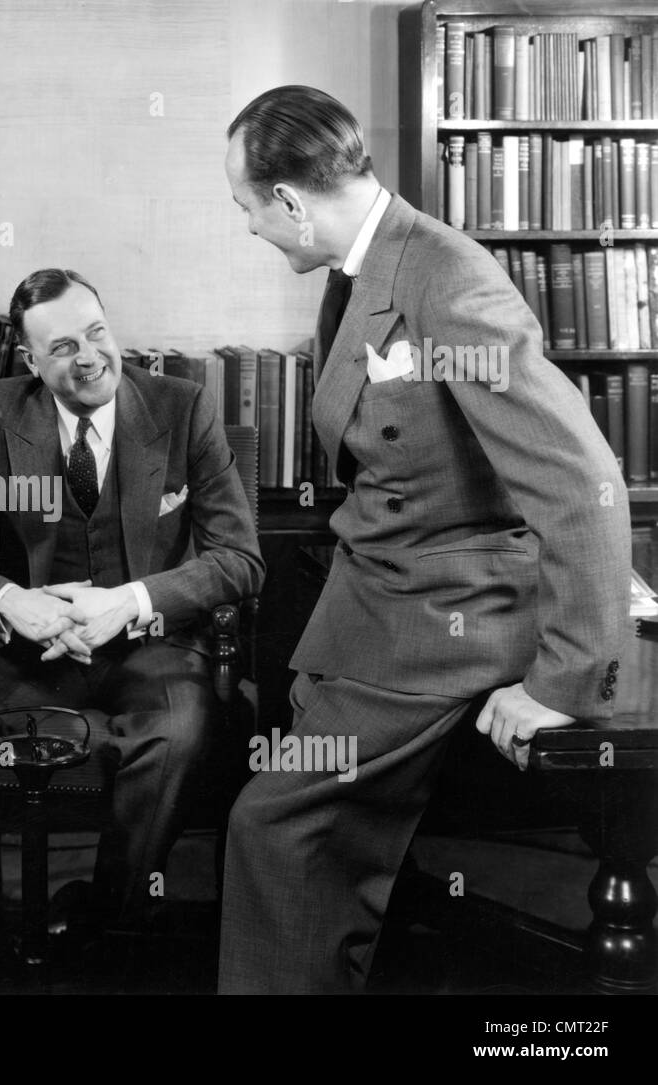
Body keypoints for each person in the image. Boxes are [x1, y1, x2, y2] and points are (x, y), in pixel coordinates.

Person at [219, 85, 631, 993]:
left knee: (274, 825)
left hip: (449, 615)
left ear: (288, 200)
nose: (248, 226)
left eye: (246, 206)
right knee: (292, 806)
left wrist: (565, 680)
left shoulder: (444, 276)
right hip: (377, 602)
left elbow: (584, 479)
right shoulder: (361, 273)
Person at [0, 268, 264, 951]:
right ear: (31, 360)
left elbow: (240, 560)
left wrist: (132, 599)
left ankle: (113, 917)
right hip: (26, 651)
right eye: (64, 346)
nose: (90, 355)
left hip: (150, 644)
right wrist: (12, 600)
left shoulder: (183, 407)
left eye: (97, 331)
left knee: (182, 729)